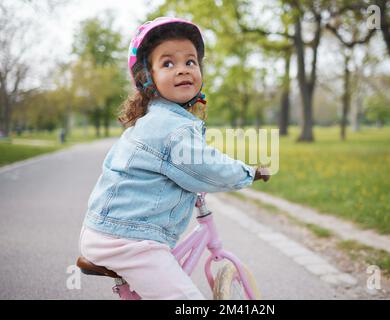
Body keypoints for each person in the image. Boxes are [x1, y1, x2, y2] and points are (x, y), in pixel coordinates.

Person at [78, 17, 269, 300]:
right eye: (168, 63)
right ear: (147, 78)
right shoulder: (171, 127)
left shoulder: (157, 119)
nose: (182, 70)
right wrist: (248, 172)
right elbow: (204, 166)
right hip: (127, 241)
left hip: (109, 231)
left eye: (190, 62)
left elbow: (190, 161)